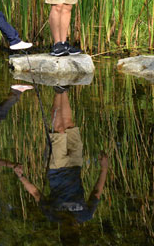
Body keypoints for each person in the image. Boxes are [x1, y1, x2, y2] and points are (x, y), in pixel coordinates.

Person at [14, 87, 109, 239]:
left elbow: (36, 193)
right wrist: (104, 168)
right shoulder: (86, 214)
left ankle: (57, 92)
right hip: (75, 165)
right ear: (78, 230)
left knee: (58, 130)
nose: (70, 226)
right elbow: (96, 193)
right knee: (70, 125)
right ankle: (64, 90)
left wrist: (21, 176)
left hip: (56, 167)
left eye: (66, 230)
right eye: (73, 230)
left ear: (61, 232)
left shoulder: (52, 214)